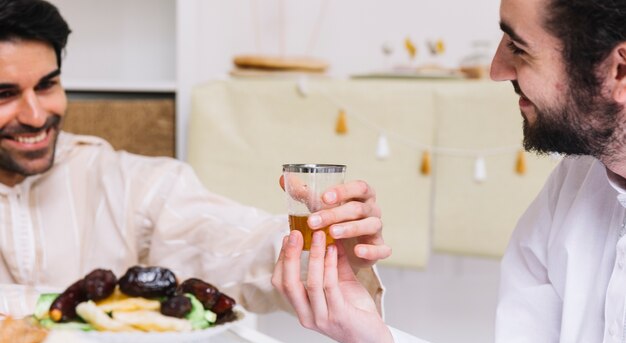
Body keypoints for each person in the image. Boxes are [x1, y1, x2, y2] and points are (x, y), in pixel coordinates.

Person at [272, 0, 626, 343]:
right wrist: (372, 337)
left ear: (619, 70)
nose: (496, 70)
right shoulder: (573, 186)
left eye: (519, 47)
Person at [0, 0, 391, 314]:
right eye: (5, 94)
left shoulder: (123, 181)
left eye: (48, 85)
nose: (36, 116)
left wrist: (326, 245)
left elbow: (232, 246)